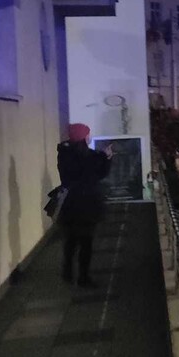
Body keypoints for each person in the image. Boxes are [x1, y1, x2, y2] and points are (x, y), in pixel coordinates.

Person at [56, 123, 112, 287]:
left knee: (71, 240)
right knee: (86, 242)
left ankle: (67, 272)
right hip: (86, 204)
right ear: (83, 137)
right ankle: (83, 277)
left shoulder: (64, 154)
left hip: (70, 203)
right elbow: (99, 172)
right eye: (88, 134)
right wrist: (107, 158)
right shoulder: (90, 157)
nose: (90, 137)